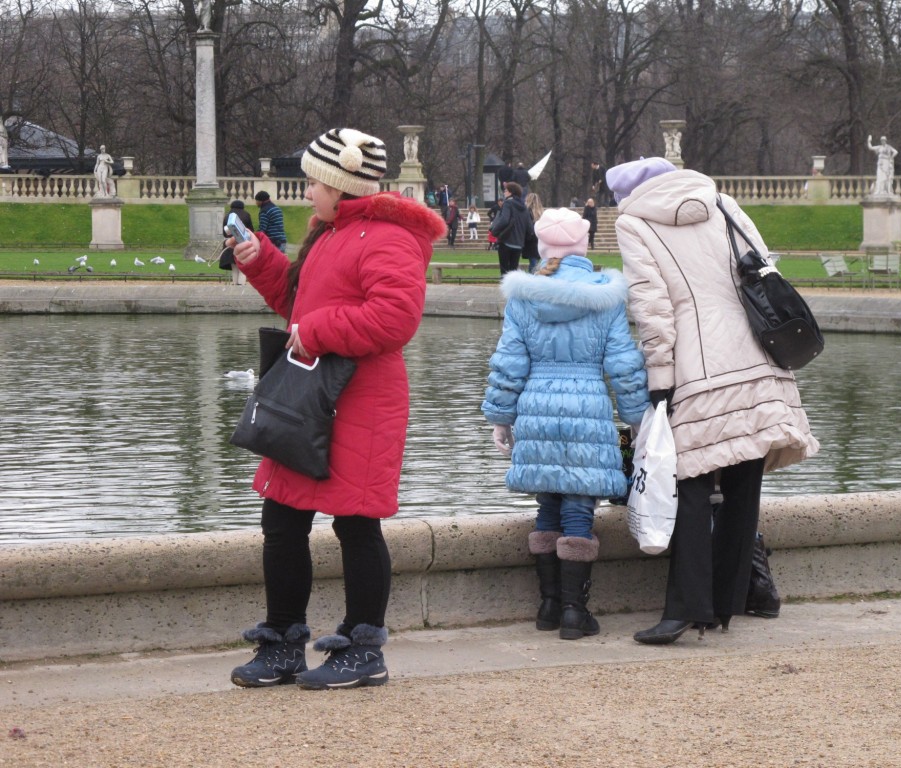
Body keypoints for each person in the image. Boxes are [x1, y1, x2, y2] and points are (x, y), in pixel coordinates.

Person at [225, 126, 446, 689]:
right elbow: (299, 304)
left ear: (338, 184)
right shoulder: (333, 231)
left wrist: (316, 331)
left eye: (312, 182)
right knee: (282, 518)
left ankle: (362, 647)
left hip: (362, 400)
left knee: (356, 523)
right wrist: (259, 259)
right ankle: (283, 642)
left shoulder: (389, 237)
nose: (305, 194)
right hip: (316, 395)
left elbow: (394, 320)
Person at [607, 157, 818, 645]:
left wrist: (659, 374)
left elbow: (651, 304)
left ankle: (684, 608)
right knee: (744, 480)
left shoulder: (634, 222)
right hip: (756, 352)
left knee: (691, 479)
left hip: (696, 362)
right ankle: (726, 603)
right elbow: (763, 267)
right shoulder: (722, 203)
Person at [482, 207, 649, 640]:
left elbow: (508, 364)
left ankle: (548, 606)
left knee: (548, 503)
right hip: (587, 404)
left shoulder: (524, 297)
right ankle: (576, 613)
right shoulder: (607, 296)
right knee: (579, 505)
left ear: (542, 248)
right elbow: (625, 365)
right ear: (584, 247)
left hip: (536, 405)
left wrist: (501, 417)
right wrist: (637, 418)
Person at [489, 181, 532, 274]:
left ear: (511, 192)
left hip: (506, 241)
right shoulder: (524, 207)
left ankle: (505, 288)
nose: (504, 192)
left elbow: (504, 220)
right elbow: (529, 228)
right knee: (513, 270)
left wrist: (494, 231)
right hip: (518, 244)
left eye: (506, 190)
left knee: (504, 270)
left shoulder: (508, 203)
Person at [219, 200, 255, 272]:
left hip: (231, 243)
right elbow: (251, 230)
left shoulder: (227, 215)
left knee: (234, 265)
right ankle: (241, 283)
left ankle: (234, 282)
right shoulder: (246, 215)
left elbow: (224, 232)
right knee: (243, 264)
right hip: (243, 241)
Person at [522, 192, 544, 272]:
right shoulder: (541, 213)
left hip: (531, 241)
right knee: (535, 262)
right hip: (539, 240)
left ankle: (532, 280)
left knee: (533, 263)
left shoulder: (526, 212)